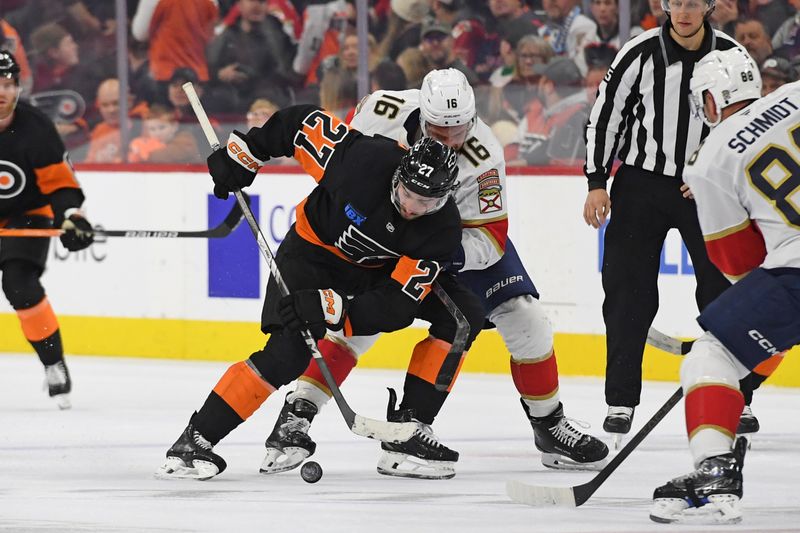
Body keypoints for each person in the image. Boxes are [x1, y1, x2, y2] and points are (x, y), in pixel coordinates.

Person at [259, 68, 608, 480]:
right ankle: (297, 413)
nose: (449, 140)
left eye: (458, 131)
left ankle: (546, 425)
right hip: (385, 231)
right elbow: (344, 172)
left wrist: (431, 256)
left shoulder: (484, 156)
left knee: (527, 320)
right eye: (438, 131)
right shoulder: (379, 110)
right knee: (361, 318)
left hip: (454, 244)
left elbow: (490, 238)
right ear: (421, 116)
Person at [156, 104, 486, 480]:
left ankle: (408, 433)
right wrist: (249, 153)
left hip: (377, 272)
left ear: (446, 196)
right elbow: (301, 124)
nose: (412, 207)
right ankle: (194, 441)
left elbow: (397, 304)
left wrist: (334, 307)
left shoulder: (441, 230)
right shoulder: (362, 160)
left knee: (462, 317)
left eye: (427, 202)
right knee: (289, 352)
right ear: (398, 175)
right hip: (311, 255)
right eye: (407, 193)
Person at [582, 0, 756, 444]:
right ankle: (620, 400)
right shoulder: (638, 53)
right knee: (626, 290)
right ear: (664, 5)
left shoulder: (732, 56)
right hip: (642, 185)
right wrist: (597, 180)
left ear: (710, 6)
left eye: (693, 2)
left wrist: (716, 175)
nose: (684, 10)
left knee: (723, 289)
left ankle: (738, 392)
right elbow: (605, 118)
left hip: (708, 188)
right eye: (676, 2)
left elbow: (749, 124)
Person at [650, 47, 800, 525]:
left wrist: (754, 330)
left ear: (712, 101)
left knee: (711, 355)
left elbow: (740, 262)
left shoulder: (710, 158)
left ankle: (714, 467)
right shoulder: (798, 94)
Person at [0, 50, 94, 409]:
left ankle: (53, 363)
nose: (1, 92)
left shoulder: (36, 129)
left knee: (19, 284)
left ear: (19, 89)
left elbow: (61, 186)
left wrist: (72, 217)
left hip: (29, 211)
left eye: (8, 84)